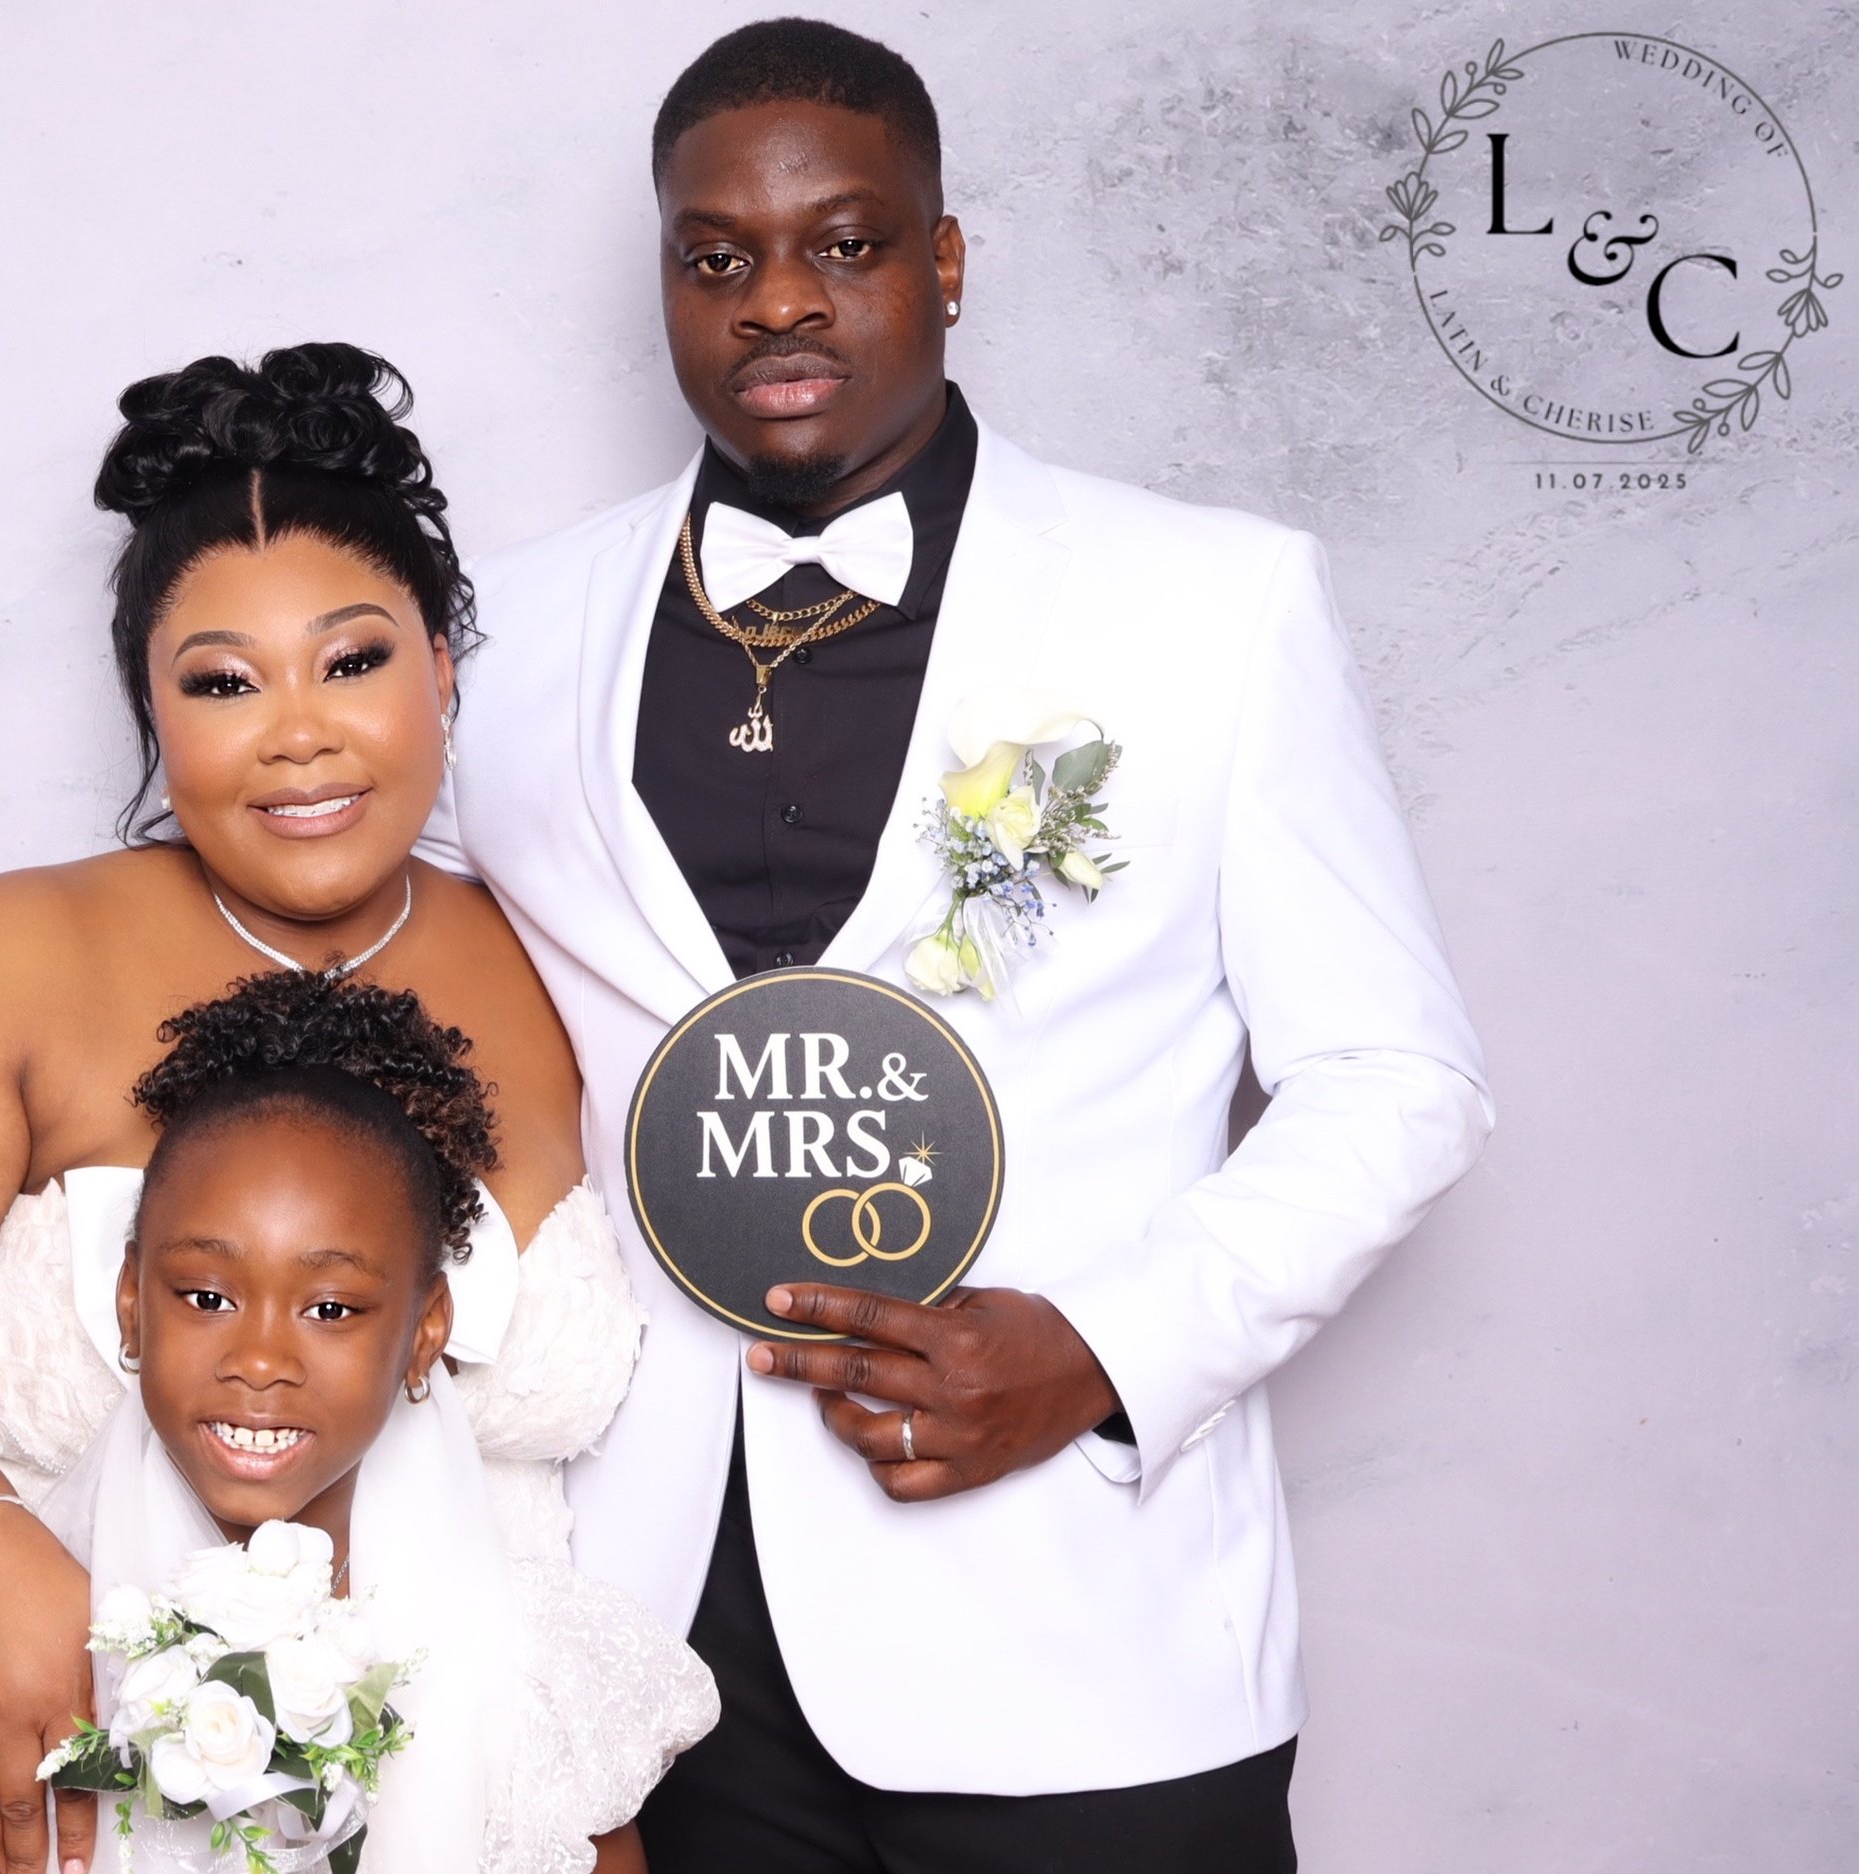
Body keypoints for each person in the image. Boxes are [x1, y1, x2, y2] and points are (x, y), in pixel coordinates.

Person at [423, 19, 1493, 1872]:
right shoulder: (497, 638)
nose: (778, 300)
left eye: (844, 241)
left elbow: (1395, 1079)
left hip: (1080, 1634)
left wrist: (1101, 1347)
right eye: (716, 257)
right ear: (667, 281)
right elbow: (425, 1049)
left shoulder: (1211, 606)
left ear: (945, 261)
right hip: (646, 1661)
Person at [0, 342, 698, 1874]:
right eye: (222, 682)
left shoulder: (569, 949)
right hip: (65, 1787)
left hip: (495, 1801)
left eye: (353, 661)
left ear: (443, 664)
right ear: (150, 710)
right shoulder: (7, 955)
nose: (297, 730)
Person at [0, 970, 712, 1874]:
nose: (260, 1360)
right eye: (206, 1295)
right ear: (132, 1303)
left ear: (426, 1335)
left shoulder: (538, 1670)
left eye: (331, 1309)